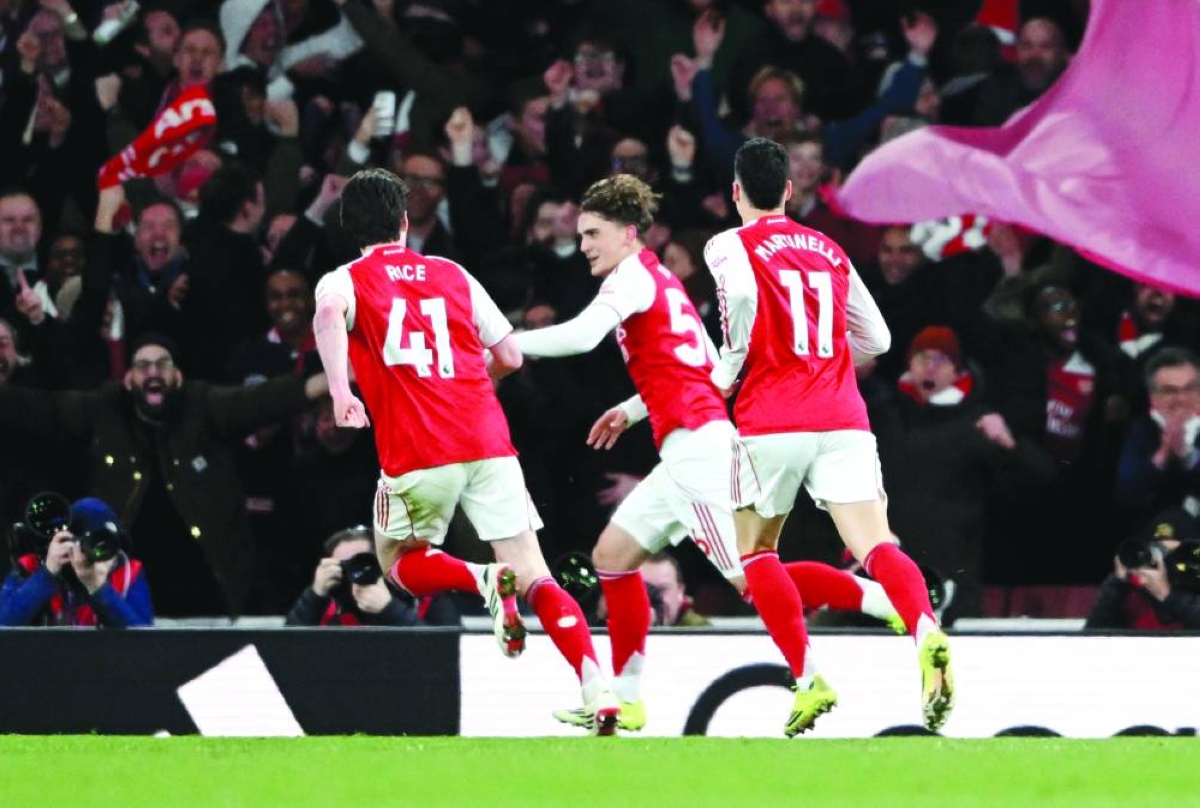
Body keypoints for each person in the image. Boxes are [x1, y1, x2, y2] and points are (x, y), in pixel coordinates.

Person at [514, 174, 900, 736]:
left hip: (698, 449)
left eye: (593, 233)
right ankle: (625, 699)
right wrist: (634, 407)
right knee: (613, 557)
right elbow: (702, 363)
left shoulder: (630, 280)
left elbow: (579, 337)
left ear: (627, 233)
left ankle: (845, 637)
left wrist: (501, 342)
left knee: (754, 576)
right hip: (686, 447)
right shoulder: (661, 280)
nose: (585, 246)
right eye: (581, 236)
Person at [312, 167, 620, 734]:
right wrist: (471, 383)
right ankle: (597, 686)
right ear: (405, 223)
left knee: (400, 565)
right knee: (536, 572)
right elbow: (510, 355)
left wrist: (340, 392)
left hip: (418, 450)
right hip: (487, 440)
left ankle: (480, 579)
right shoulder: (451, 272)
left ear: (349, 228)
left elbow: (329, 315)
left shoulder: (344, 279)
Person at [703, 137, 953, 732]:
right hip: (843, 417)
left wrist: (729, 371)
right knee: (877, 545)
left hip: (771, 419)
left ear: (736, 193)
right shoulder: (828, 248)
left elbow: (738, 296)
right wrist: (831, 358)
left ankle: (808, 677)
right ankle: (925, 628)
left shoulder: (728, 244)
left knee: (758, 553)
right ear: (790, 191)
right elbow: (881, 341)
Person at [0, 497, 153, 627]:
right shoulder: (33, 565)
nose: (95, 553)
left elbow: (145, 643)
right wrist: (47, 573)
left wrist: (98, 587)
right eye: (89, 544)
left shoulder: (128, 572)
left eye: (104, 546)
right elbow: (3, 623)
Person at [285, 526, 457, 627]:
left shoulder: (425, 599)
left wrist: (389, 609)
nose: (352, 573)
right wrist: (315, 594)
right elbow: (287, 652)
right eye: (342, 566)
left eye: (359, 562)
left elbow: (448, 653)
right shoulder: (329, 606)